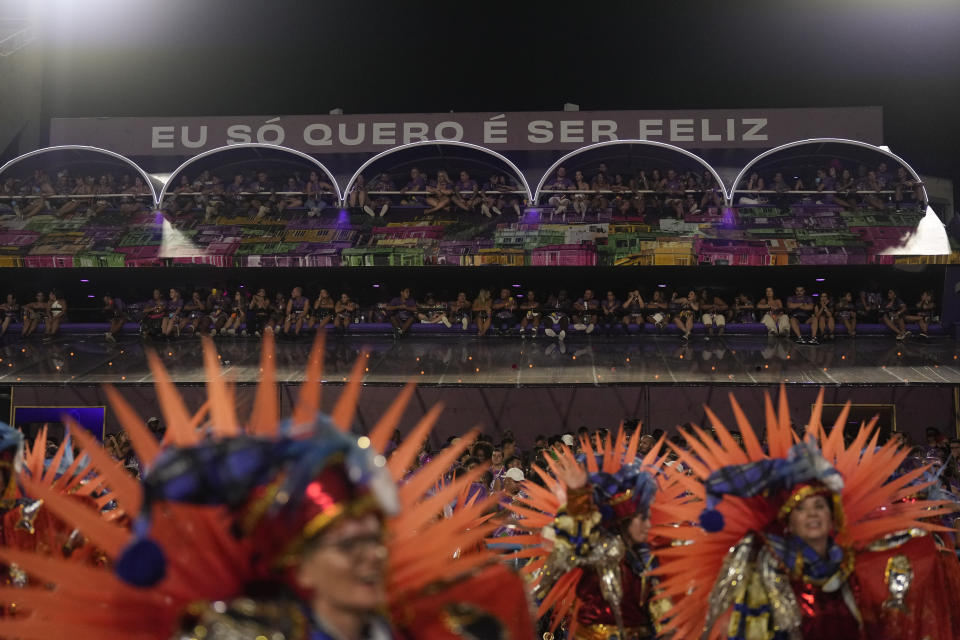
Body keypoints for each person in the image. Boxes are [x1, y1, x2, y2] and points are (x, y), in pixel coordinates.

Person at [0, 339, 535, 640]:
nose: (374, 555)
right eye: (348, 545)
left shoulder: (436, 624)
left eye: (375, 538)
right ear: (297, 567)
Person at [656, 389, 960, 640]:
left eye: (819, 506)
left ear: (833, 515)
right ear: (788, 520)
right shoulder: (766, 563)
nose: (812, 515)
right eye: (801, 509)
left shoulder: (851, 561)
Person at [513, 427, 672, 639]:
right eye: (640, 518)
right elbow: (567, 549)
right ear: (622, 522)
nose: (647, 524)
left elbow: (661, 614)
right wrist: (578, 495)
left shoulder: (646, 557)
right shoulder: (597, 549)